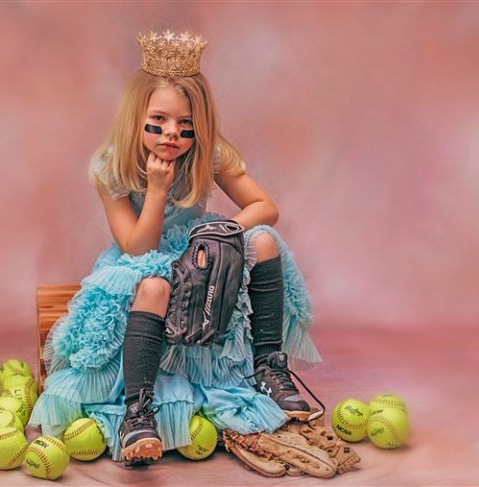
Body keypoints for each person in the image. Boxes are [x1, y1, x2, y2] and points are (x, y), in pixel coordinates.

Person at [29, 30, 322, 467]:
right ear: (137, 119)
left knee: (261, 241)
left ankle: (268, 369)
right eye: (159, 122)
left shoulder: (209, 154)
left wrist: (222, 230)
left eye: (185, 126)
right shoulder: (111, 166)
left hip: (198, 250)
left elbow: (266, 208)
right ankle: (138, 409)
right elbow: (136, 246)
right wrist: (158, 189)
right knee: (153, 284)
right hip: (142, 261)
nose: (172, 134)